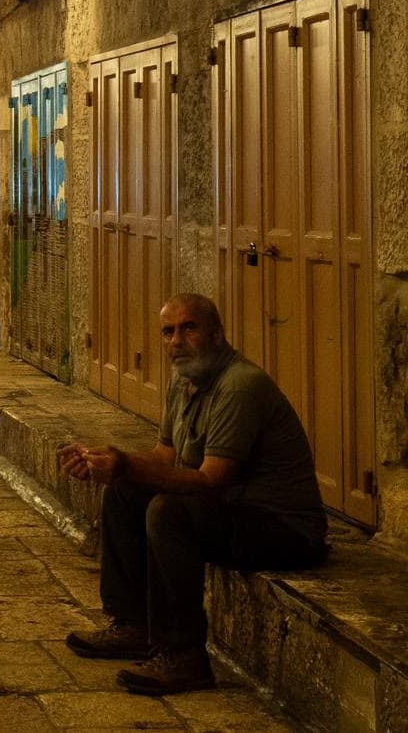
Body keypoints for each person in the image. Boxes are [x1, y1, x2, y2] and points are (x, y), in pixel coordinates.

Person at [58, 293, 328, 697]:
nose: (176, 341)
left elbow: (209, 481)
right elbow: (164, 457)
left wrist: (126, 465)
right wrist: (108, 462)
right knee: (125, 492)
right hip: (232, 512)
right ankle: (134, 625)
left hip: (282, 528)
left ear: (217, 333)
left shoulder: (239, 386)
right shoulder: (184, 380)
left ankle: (183, 655)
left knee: (169, 511)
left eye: (189, 328)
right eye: (169, 331)